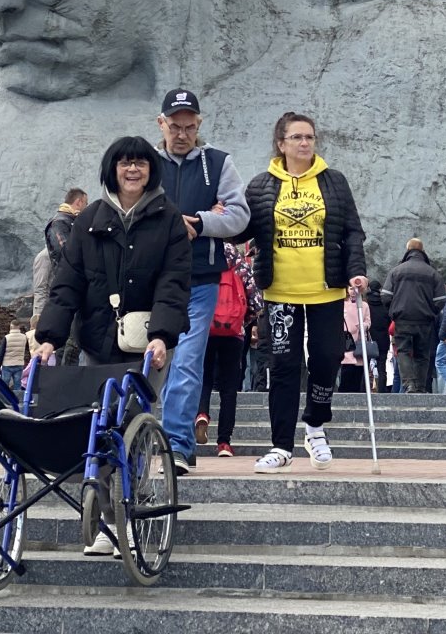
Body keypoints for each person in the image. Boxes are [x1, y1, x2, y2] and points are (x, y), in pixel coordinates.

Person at [34, 135, 190, 549]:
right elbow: (66, 284)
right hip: (98, 343)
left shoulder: (168, 218)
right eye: (124, 163)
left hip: (148, 345)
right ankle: (105, 520)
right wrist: (48, 338)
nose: (133, 169)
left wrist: (162, 334)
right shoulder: (90, 221)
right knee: (99, 426)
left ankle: (131, 516)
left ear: (151, 169)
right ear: (112, 169)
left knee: (133, 426)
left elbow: (173, 282)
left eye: (140, 162)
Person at [244, 112, 367, 473]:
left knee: (328, 358)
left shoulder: (334, 182)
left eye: (309, 137)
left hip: (326, 291)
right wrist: (222, 219)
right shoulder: (261, 186)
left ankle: (315, 425)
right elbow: (244, 230)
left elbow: (352, 232)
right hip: (281, 292)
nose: (304, 143)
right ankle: (281, 445)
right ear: (281, 143)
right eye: (297, 137)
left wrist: (356, 272)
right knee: (282, 365)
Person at [154, 88, 250, 473]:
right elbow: (127, 208)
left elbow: (239, 217)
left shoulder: (219, 163)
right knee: (148, 360)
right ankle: (140, 436)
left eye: (189, 126)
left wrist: (202, 222)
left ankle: (177, 444)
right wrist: (171, 222)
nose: (182, 133)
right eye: (175, 126)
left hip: (201, 280)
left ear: (200, 123)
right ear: (161, 123)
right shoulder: (144, 162)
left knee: (188, 362)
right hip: (151, 281)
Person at [198, 242, 261, 455]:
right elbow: (256, 302)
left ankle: (202, 413)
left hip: (205, 329)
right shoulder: (240, 265)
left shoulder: (201, 257)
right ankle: (224, 442)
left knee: (204, 378)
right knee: (229, 389)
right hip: (234, 333)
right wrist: (242, 321)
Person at [383, 238, 446, 393]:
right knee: (422, 353)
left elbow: (385, 296)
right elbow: (441, 300)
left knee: (403, 351)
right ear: (422, 251)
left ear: (408, 250)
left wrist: (394, 312)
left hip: (402, 318)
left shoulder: (396, 271)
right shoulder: (433, 273)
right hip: (424, 320)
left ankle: (408, 384)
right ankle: (420, 387)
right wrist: (431, 313)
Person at [32, 188, 88, 353]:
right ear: (78, 202)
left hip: (73, 288)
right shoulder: (60, 223)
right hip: (67, 290)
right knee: (68, 343)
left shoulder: (68, 221)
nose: (86, 207)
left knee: (73, 342)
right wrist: (39, 317)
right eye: (86, 203)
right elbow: (66, 255)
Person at [0, 322, 29, 391]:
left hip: (7, 364)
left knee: (5, 384)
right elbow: (27, 349)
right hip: (19, 363)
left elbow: (1, 353)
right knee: (17, 385)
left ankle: (5, 399)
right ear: (19, 327)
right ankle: (17, 400)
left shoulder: (7, 337)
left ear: (11, 327)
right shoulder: (24, 337)